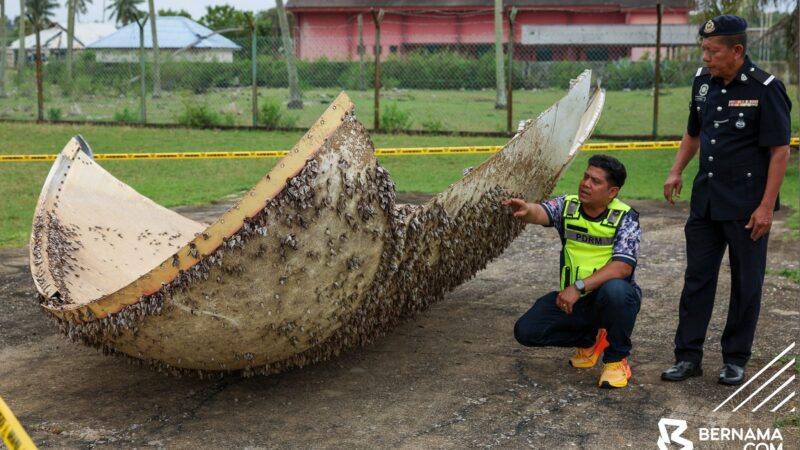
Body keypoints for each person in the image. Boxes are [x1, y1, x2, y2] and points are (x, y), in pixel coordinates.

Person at [661, 15, 791, 386]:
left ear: (737, 50)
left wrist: (767, 207)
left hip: (748, 206)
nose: (705, 57)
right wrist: (676, 169)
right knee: (697, 279)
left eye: (712, 51)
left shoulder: (766, 88)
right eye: (704, 49)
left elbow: (779, 152)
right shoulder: (703, 84)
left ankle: (735, 358)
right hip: (706, 202)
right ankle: (688, 357)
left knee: (746, 284)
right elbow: (693, 132)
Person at [503, 154, 642, 389]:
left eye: (595, 181)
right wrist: (526, 210)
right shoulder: (568, 205)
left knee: (617, 291)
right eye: (586, 177)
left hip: (604, 298)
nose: (586, 184)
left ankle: (616, 360)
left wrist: (578, 287)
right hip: (573, 301)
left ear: (612, 192)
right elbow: (541, 212)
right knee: (526, 332)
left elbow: (622, 267)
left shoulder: (626, 218)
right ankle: (590, 338)